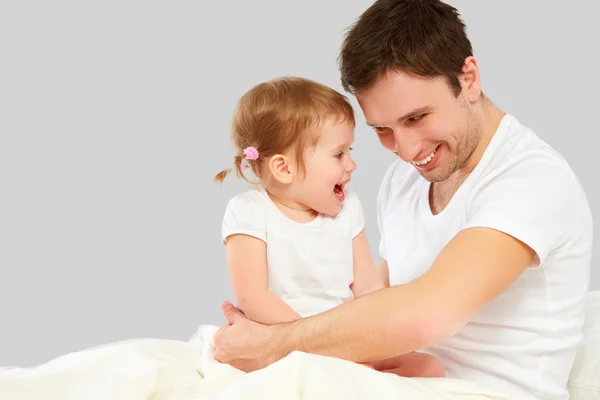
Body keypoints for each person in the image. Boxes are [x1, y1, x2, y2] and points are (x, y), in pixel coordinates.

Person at [212, 1, 593, 400]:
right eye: (383, 129)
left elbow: (430, 314)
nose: (407, 151)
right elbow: (376, 310)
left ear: (469, 79)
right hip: (404, 383)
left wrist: (271, 346)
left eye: (416, 118)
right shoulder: (403, 181)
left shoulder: (531, 180)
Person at [213, 76, 445, 378]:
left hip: (344, 338)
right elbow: (253, 298)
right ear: (284, 168)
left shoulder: (348, 207)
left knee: (428, 367)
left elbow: (368, 289)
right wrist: (310, 344)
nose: (351, 165)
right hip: (278, 339)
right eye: (339, 154)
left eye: (350, 152)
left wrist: (393, 340)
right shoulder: (250, 213)